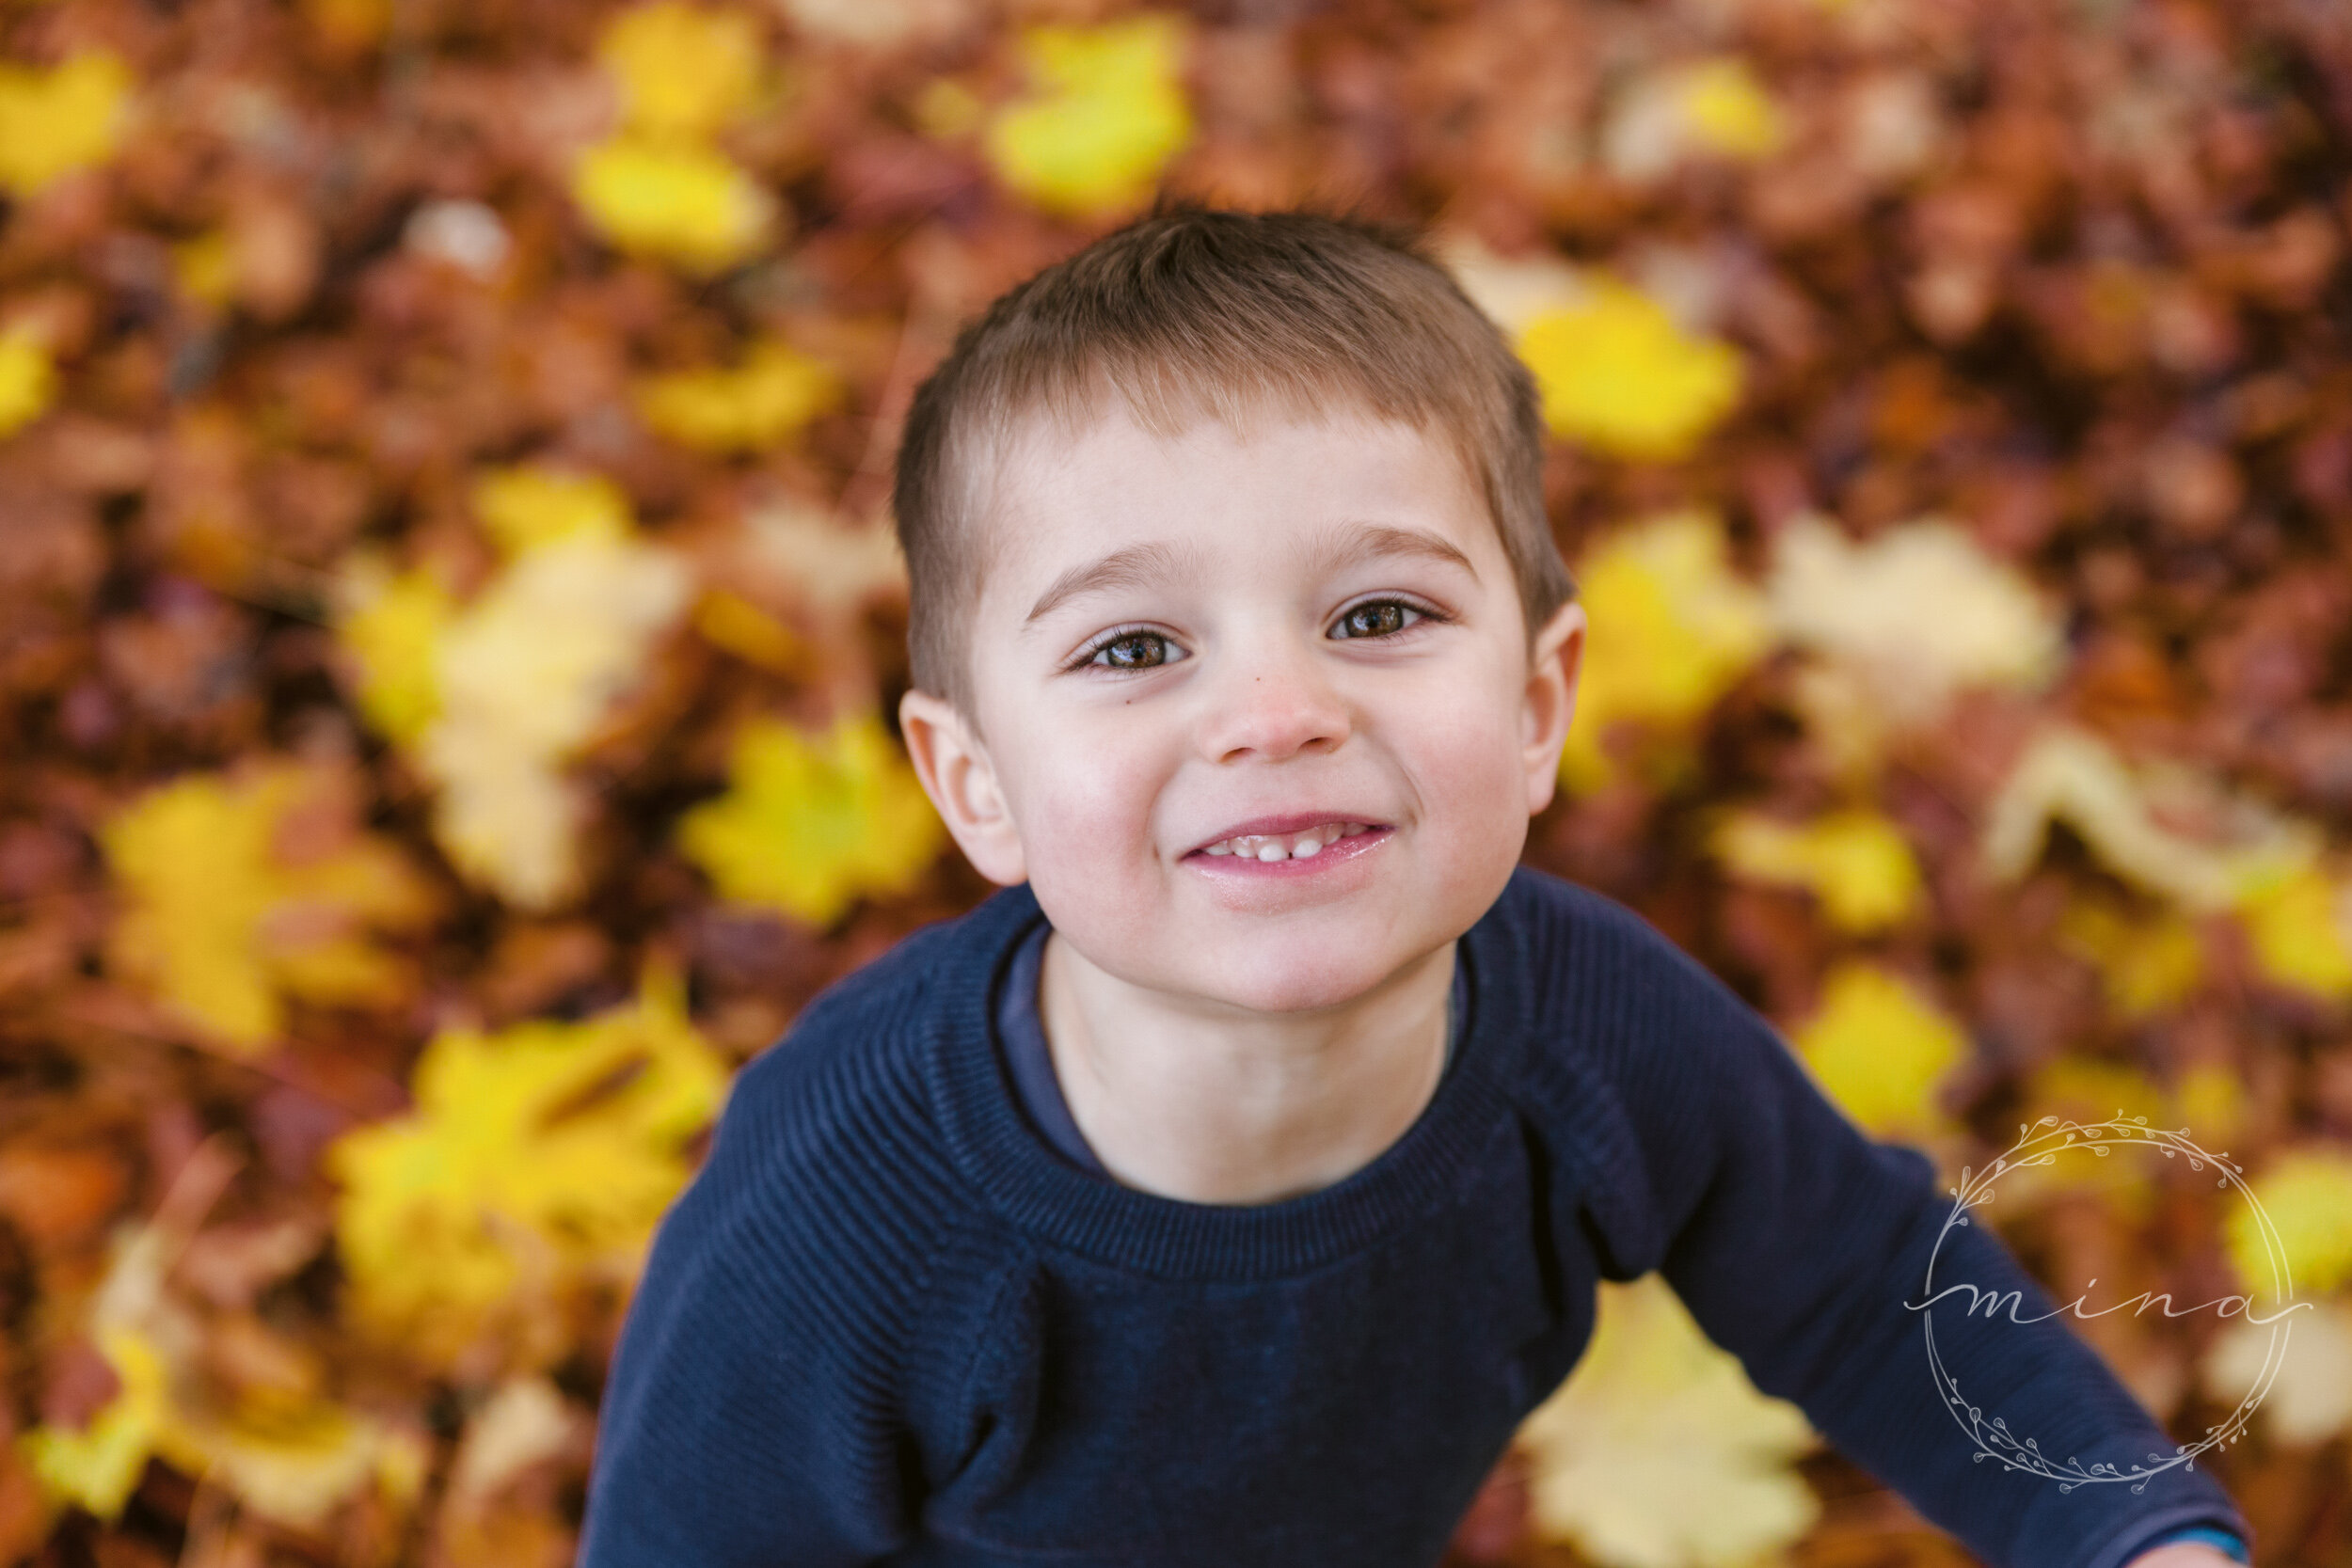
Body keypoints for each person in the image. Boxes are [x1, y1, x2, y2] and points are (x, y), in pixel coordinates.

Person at [578, 208, 2254, 1568]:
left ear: (1534, 709)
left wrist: (2130, 1533)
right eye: (1136, 646)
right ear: (978, 786)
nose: (1277, 712)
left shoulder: (1586, 1032)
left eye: (1377, 616)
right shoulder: (853, 1207)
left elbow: (1861, 1279)